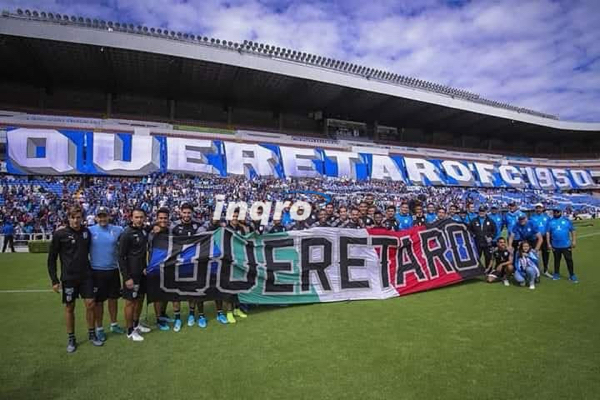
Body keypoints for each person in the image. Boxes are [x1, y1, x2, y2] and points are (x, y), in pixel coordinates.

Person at [48, 206, 103, 353]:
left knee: (91, 304)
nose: (76, 220)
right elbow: (51, 258)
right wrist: (54, 280)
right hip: (69, 277)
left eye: (78, 217)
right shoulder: (60, 234)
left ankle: (92, 334)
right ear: (68, 218)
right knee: (69, 307)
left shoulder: (86, 232)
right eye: (73, 217)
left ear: (82, 218)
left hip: (86, 276)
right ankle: (71, 338)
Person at [89, 207, 125, 342]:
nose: (102, 219)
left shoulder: (118, 230)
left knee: (113, 299)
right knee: (98, 302)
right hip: (97, 271)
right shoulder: (90, 231)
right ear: (96, 218)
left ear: (109, 216)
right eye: (100, 216)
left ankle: (114, 324)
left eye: (104, 216)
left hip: (113, 270)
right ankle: (99, 329)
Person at [118, 208, 152, 342]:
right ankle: (129, 331)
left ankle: (136, 324)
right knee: (130, 303)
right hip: (131, 275)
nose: (139, 220)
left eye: (141, 217)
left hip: (142, 272)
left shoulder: (144, 231)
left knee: (140, 299)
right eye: (136, 217)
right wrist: (127, 277)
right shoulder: (127, 234)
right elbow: (121, 257)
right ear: (131, 218)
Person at [171, 203, 205, 329]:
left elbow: (206, 234)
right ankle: (178, 319)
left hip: (192, 264)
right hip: (177, 264)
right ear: (180, 212)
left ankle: (191, 314)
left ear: (192, 213)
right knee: (176, 293)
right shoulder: (174, 226)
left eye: (188, 213)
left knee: (192, 291)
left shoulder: (198, 225)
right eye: (184, 212)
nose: (186, 215)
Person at [547, 208, 578, 283]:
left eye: (557, 211)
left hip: (566, 245)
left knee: (569, 260)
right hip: (555, 245)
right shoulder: (550, 222)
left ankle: (572, 275)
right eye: (554, 211)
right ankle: (556, 274)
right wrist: (548, 243)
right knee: (556, 260)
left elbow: (572, 230)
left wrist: (574, 241)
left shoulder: (566, 220)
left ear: (560, 212)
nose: (556, 213)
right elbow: (548, 233)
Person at [469, 206, 496, 271]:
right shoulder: (474, 220)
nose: (481, 212)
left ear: (486, 212)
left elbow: (494, 230)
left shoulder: (490, 221)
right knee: (476, 258)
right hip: (477, 242)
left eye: (483, 211)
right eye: (480, 211)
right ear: (478, 211)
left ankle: (488, 271)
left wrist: (491, 237)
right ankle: (475, 272)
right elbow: (469, 230)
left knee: (488, 257)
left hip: (487, 243)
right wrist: (473, 235)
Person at [530, 203, 552, 278]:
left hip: (545, 237)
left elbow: (549, 229)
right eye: (537, 208)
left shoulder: (547, 217)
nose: (538, 209)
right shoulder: (532, 218)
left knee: (546, 254)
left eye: (540, 208)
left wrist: (549, 241)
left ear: (543, 209)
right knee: (535, 254)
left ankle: (545, 270)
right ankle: (535, 270)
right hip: (535, 238)